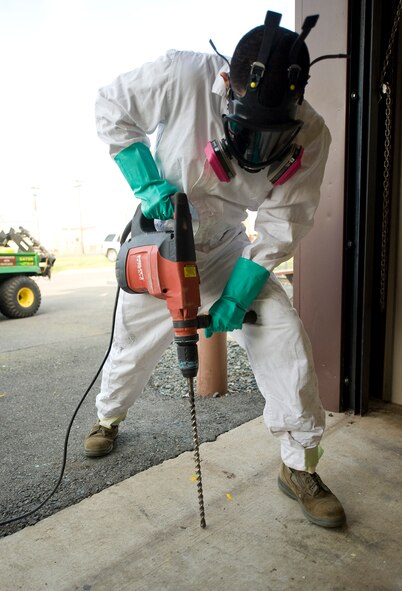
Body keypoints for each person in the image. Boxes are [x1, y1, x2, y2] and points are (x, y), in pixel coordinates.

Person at [84, 10, 346, 528]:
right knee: (131, 345)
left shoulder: (310, 134)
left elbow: (281, 222)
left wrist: (240, 292)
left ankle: (298, 468)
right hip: (160, 237)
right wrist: (149, 183)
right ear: (226, 84)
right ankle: (109, 418)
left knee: (283, 335)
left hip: (227, 248)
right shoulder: (182, 76)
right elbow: (111, 106)